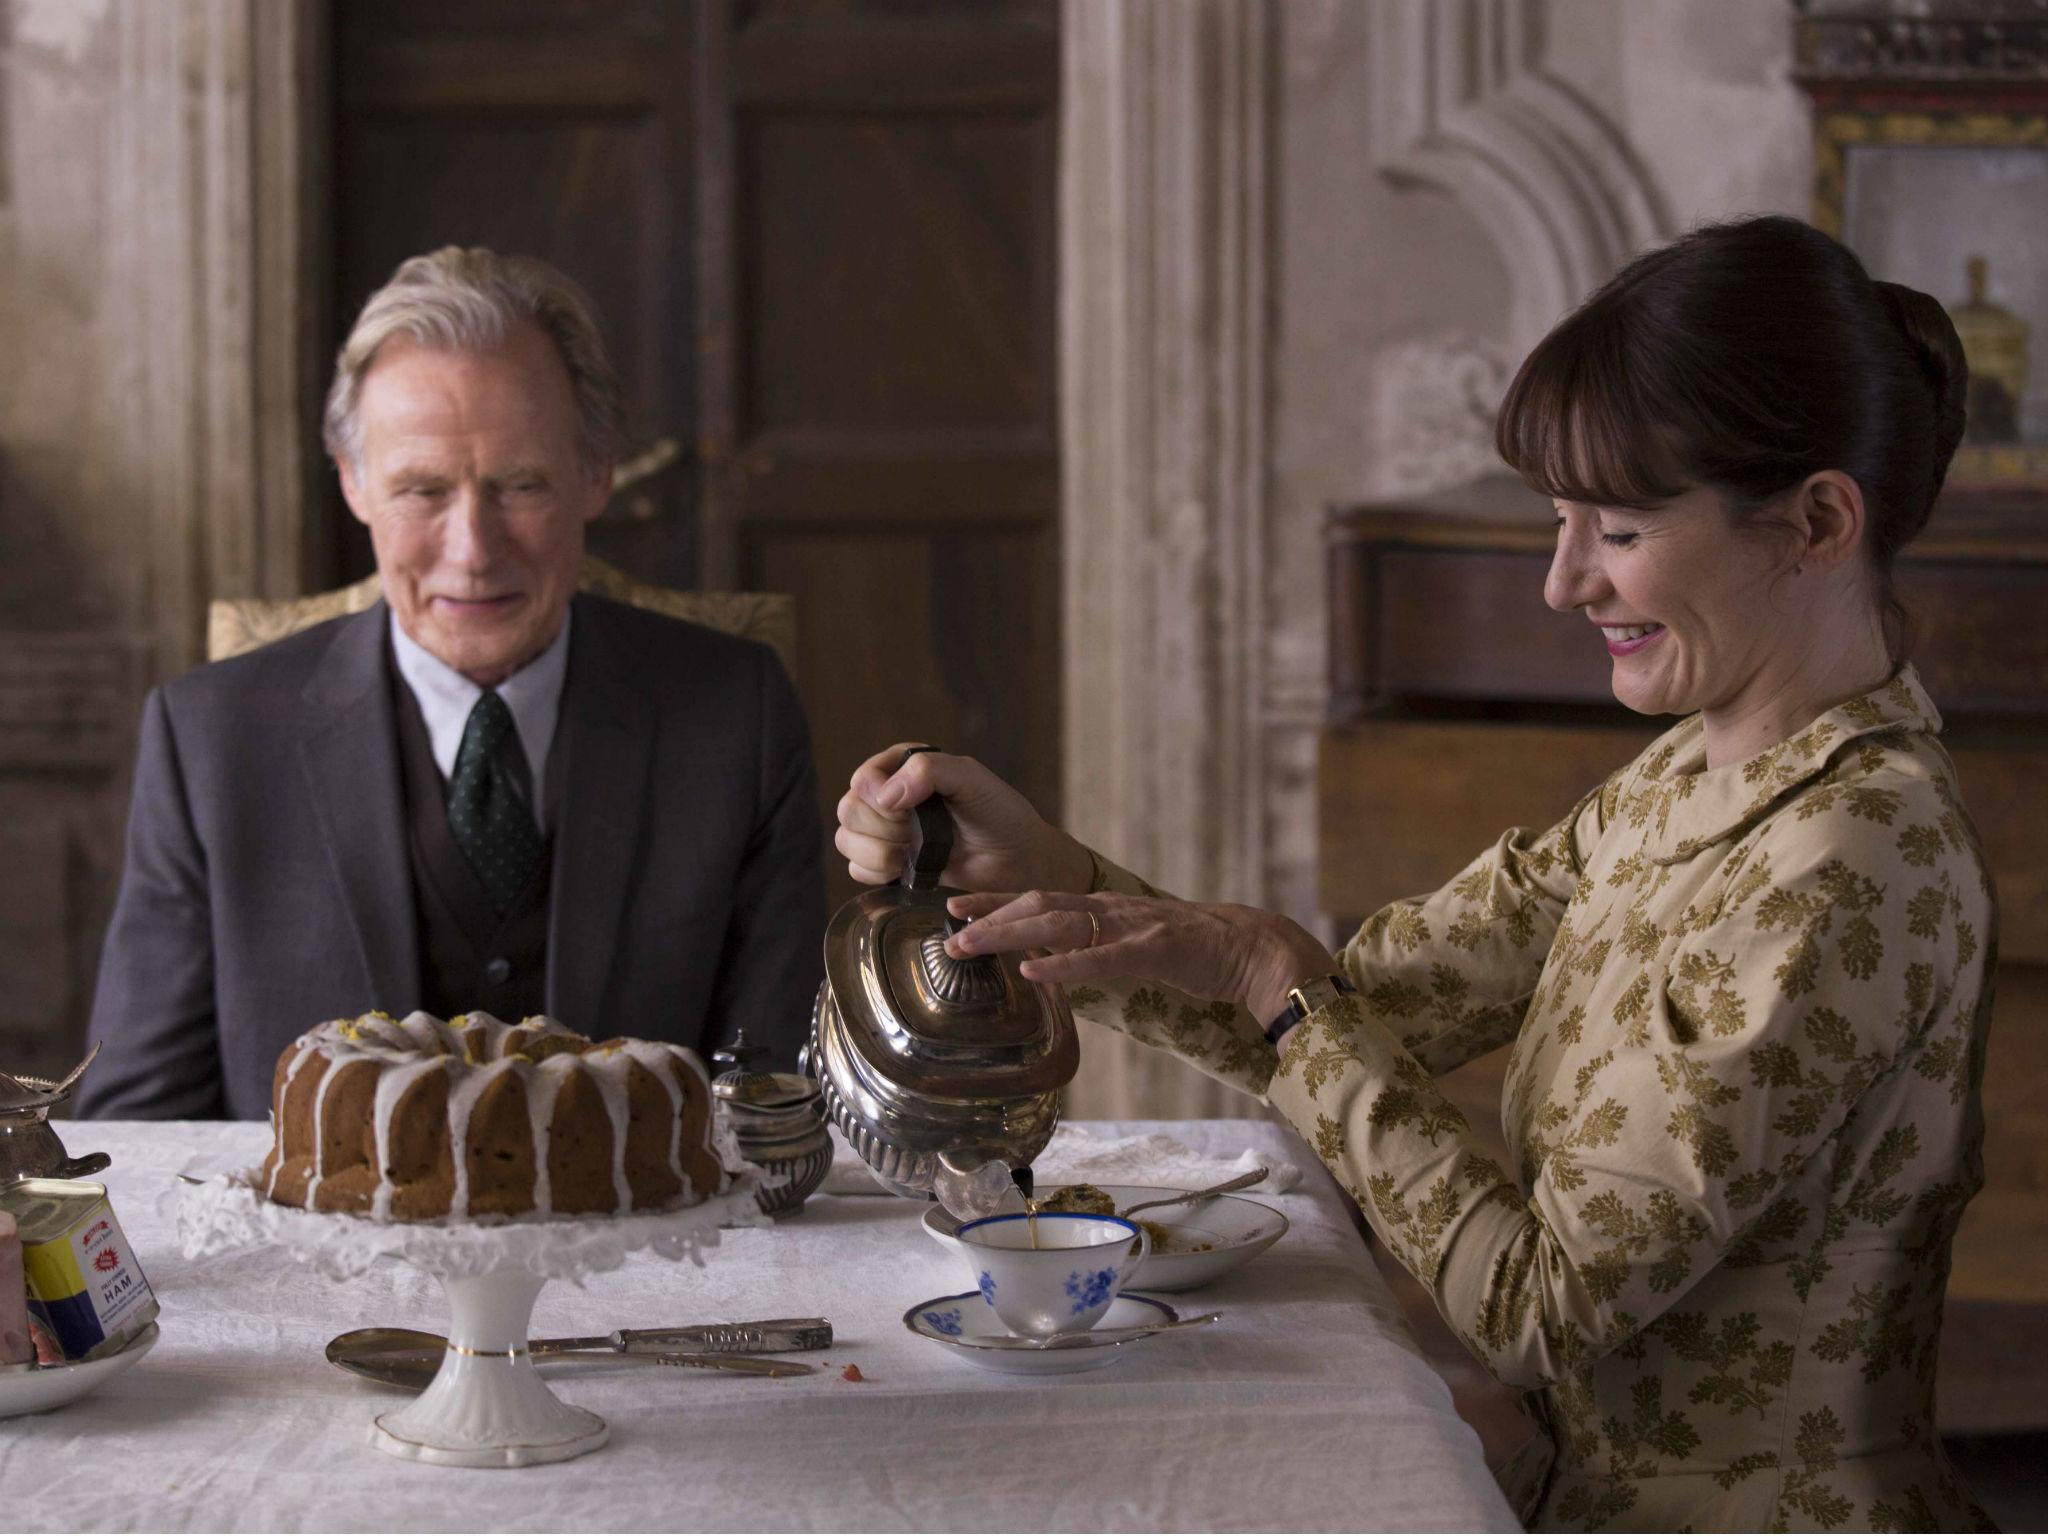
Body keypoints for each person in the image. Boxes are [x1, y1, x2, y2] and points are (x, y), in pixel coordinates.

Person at [836, 217, 1995, 1531]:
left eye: (1616, 528)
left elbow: (1538, 1305)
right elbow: (1359, 1013)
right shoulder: (1689, 779)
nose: (1565, 583)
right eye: (1561, 521)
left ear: (1818, 521)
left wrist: (1272, 975)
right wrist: (1048, 875)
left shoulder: (1851, 853)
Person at [80, 248, 825, 1119]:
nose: (471, 550)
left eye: (519, 485)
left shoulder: (739, 716)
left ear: (597, 474)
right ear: (353, 481)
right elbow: (137, 1134)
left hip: (670, 1252)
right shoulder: (206, 738)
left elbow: (776, 1098)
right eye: (422, 490)